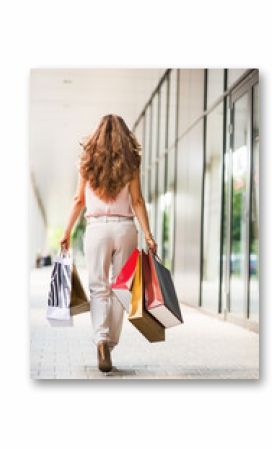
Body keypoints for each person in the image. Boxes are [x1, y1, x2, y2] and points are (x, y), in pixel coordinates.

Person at [59, 114, 157, 373]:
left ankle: (101, 338)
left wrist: (67, 231)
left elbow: (78, 200)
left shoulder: (86, 161)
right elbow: (137, 201)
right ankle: (110, 342)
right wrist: (148, 234)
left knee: (98, 288)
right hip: (125, 228)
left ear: (97, 135)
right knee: (120, 288)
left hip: (97, 229)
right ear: (125, 137)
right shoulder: (131, 162)